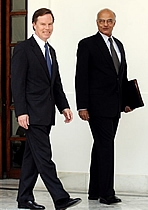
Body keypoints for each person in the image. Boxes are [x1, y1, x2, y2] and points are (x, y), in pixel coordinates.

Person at [11, 8, 81, 210]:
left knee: (32, 158)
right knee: (44, 157)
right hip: (32, 114)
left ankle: (24, 199)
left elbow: (55, 83)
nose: (47, 28)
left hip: (46, 113)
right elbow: (17, 83)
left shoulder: (51, 51)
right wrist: (21, 111)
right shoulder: (24, 48)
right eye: (43, 24)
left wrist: (64, 106)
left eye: (50, 24)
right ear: (34, 24)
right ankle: (60, 198)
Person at [75, 8, 132, 205]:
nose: (105, 24)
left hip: (115, 106)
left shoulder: (119, 45)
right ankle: (107, 193)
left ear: (114, 22)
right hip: (96, 107)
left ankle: (94, 190)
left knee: (100, 146)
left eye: (109, 21)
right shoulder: (87, 44)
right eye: (101, 21)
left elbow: (121, 76)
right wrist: (82, 105)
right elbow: (81, 77)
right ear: (96, 22)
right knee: (106, 146)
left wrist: (126, 102)